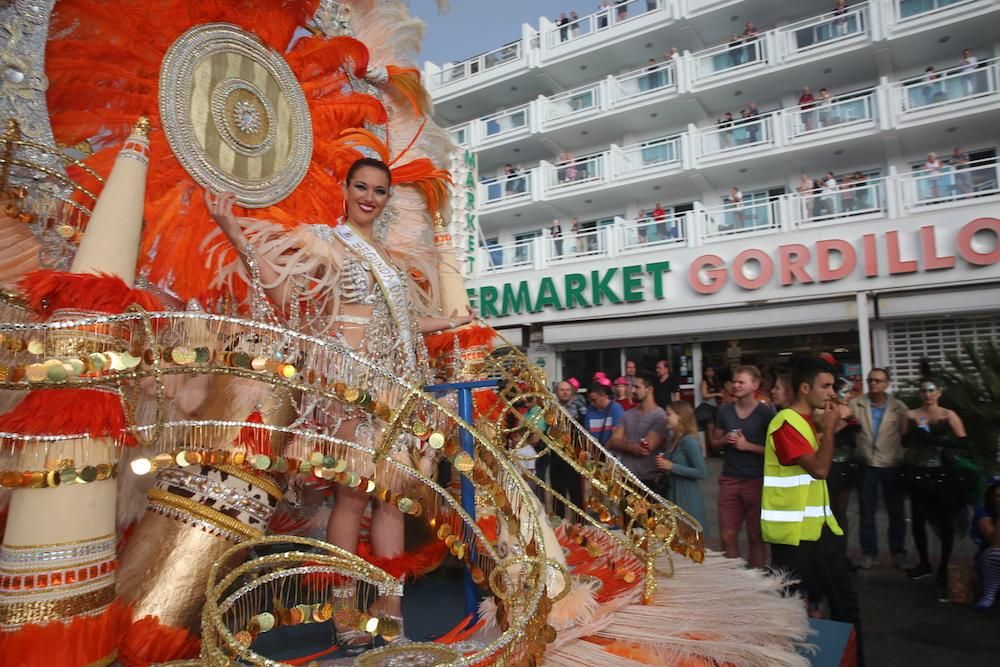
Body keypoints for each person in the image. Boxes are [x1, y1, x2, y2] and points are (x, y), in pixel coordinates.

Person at [207, 157, 474, 649]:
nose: (370, 197)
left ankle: (390, 603)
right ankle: (346, 605)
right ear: (346, 189)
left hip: (393, 383)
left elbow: (403, 326)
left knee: (394, 492)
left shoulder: (390, 260)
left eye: (379, 190)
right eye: (362, 187)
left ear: (388, 198)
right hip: (346, 381)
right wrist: (233, 232)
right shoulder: (324, 240)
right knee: (352, 493)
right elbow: (285, 295)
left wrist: (452, 322)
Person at [763, 358, 863, 666]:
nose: (831, 393)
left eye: (833, 386)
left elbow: (848, 414)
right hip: (795, 537)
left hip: (815, 530)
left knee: (841, 604)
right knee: (785, 609)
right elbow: (820, 469)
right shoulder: (787, 423)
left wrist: (828, 424)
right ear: (805, 388)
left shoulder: (806, 421)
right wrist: (830, 429)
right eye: (826, 386)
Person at [901, 379, 968, 598]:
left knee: (945, 522)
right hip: (919, 473)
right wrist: (915, 437)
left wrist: (937, 440)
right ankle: (924, 562)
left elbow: (963, 442)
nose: (927, 394)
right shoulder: (911, 415)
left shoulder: (948, 415)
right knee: (918, 521)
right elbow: (903, 440)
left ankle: (944, 567)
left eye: (931, 390)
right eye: (923, 390)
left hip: (942, 475)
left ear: (939, 392)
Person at [709, 365, 773, 568]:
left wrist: (748, 446)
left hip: (756, 479)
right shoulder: (724, 411)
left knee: (756, 535)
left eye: (741, 382)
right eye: (734, 381)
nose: (735, 385)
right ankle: (735, 581)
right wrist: (725, 440)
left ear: (755, 385)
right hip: (729, 478)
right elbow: (714, 443)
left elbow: (775, 451)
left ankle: (757, 581)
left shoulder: (765, 413)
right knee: (727, 535)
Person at [849, 368, 909, 571]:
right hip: (866, 464)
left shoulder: (899, 408)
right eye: (871, 380)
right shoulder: (856, 404)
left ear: (887, 383)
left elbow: (905, 435)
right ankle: (869, 553)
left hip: (891, 464)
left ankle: (898, 552)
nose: (873, 383)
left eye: (878, 380)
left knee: (896, 512)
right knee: (866, 512)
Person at [607, 372, 668, 490]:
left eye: (637, 387)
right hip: (626, 477)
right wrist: (633, 447)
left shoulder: (660, 416)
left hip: (649, 480)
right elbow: (613, 441)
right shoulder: (628, 414)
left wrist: (624, 445)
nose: (632, 390)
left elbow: (645, 449)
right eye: (632, 386)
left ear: (649, 389)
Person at [656, 401, 708, 527]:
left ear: (680, 416)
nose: (665, 418)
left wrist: (671, 466)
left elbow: (702, 472)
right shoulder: (673, 439)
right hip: (673, 491)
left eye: (668, 414)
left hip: (686, 495)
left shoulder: (689, 441)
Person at [972, 478, 1000, 612]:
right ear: (991, 497)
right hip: (990, 562)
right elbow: (995, 542)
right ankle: (988, 596)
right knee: (997, 553)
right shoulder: (983, 513)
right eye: (999, 496)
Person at [585, 381, 625, 448]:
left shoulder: (616, 408)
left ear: (603, 395)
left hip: (611, 452)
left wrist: (603, 452)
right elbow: (587, 434)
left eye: (594, 400)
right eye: (590, 401)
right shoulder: (590, 410)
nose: (592, 403)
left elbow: (617, 434)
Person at [696, 366, 723, 431]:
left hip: (716, 407)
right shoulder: (704, 382)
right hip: (708, 408)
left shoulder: (716, 382)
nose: (710, 372)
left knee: (717, 428)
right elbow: (704, 395)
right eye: (708, 371)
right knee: (711, 429)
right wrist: (717, 394)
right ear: (705, 372)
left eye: (712, 371)